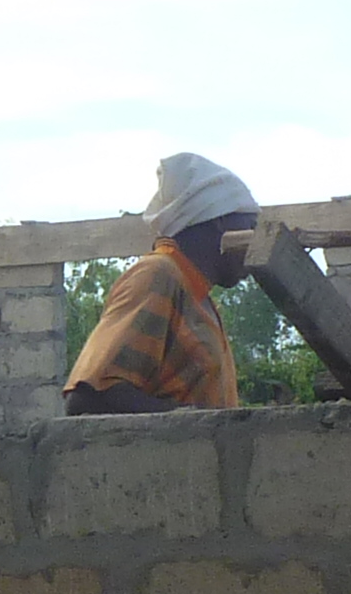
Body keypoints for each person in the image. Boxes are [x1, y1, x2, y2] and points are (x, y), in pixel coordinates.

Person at [66, 153, 262, 414]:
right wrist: (187, 422)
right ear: (221, 220)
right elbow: (87, 399)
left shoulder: (197, 296)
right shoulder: (157, 276)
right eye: (250, 226)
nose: (256, 241)